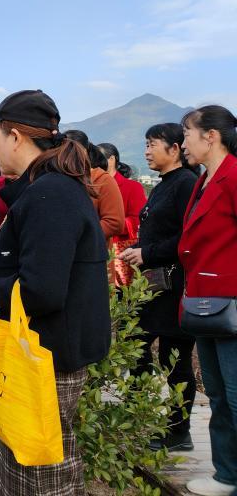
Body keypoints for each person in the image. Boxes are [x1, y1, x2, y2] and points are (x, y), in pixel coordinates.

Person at [0, 89, 111, 495]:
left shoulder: (50, 194)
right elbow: (46, 268)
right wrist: (0, 271)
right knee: (26, 459)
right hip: (45, 350)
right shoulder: (50, 189)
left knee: (38, 471)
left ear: (14, 136)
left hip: (47, 354)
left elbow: (43, 290)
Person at [118, 123, 198, 453]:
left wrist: (146, 252)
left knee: (174, 359)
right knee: (135, 348)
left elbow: (188, 237)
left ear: (175, 149)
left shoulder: (186, 185)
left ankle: (179, 430)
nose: (147, 151)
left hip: (175, 286)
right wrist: (138, 247)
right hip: (153, 287)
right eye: (146, 145)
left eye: (152, 144)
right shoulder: (164, 185)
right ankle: (135, 416)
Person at [177, 106, 237, 496]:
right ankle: (227, 474)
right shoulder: (203, 180)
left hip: (230, 299)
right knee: (216, 393)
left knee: (234, 393)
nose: (184, 143)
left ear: (211, 136)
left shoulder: (233, 177)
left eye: (187, 134)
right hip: (203, 299)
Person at [100, 142, 147, 286]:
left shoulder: (132, 187)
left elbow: (136, 220)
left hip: (120, 251)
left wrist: (108, 224)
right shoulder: (92, 186)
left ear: (112, 159)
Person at [66, 129, 125, 239]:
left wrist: (75, 236)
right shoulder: (58, 178)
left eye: (72, 151)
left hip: (90, 251)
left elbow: (114, 223)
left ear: (85, 152)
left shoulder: (102, 180)